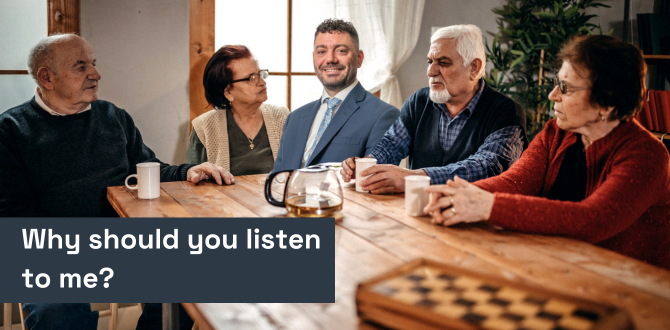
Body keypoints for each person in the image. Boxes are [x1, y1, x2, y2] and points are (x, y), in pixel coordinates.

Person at [1, 34, 231, 328]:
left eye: (93, 64)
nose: (95, 74)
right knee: (55, 311)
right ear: (47, 78)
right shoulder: (11, 130)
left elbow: (148, 168)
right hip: (49, 250)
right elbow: (13, 215)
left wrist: (188, 171)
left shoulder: (112, 116)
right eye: (81, 66)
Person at [424, 35, 670, 269]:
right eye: (557, 82)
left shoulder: (647, 154)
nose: (553, 95)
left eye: (566, 88)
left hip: (632, 286)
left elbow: (593, 219)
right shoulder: (557, 132)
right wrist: (458, 194)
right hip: (563, 263)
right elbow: (515, 182)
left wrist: (487, 206)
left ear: (607, 102)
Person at [340, 24, 527, 194]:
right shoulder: (419, 102)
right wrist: (365, 165)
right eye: (430, 62)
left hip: (476, 222)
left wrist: (412, 179)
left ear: (474, 67)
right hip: (419, 213)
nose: (431, 72)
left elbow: (487, 167)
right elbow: (391, 146)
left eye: (443, 62)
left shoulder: (507, 112)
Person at [272, 19, 400, 172]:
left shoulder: (384, 115)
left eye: (341, 51)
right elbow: (278, 179)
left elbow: (373, 182)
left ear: (359, 58)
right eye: (321, 52)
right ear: (314, 58)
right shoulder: (294, 118)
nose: (330, 59)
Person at [187, 45, 289, 175]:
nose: (262, 82)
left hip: (274, 195)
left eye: (260, 74)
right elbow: (193, 182)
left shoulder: (283, 118)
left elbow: (298, 172)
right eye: (251, 78)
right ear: (228, 92)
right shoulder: (204, 127)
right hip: (222, 196)